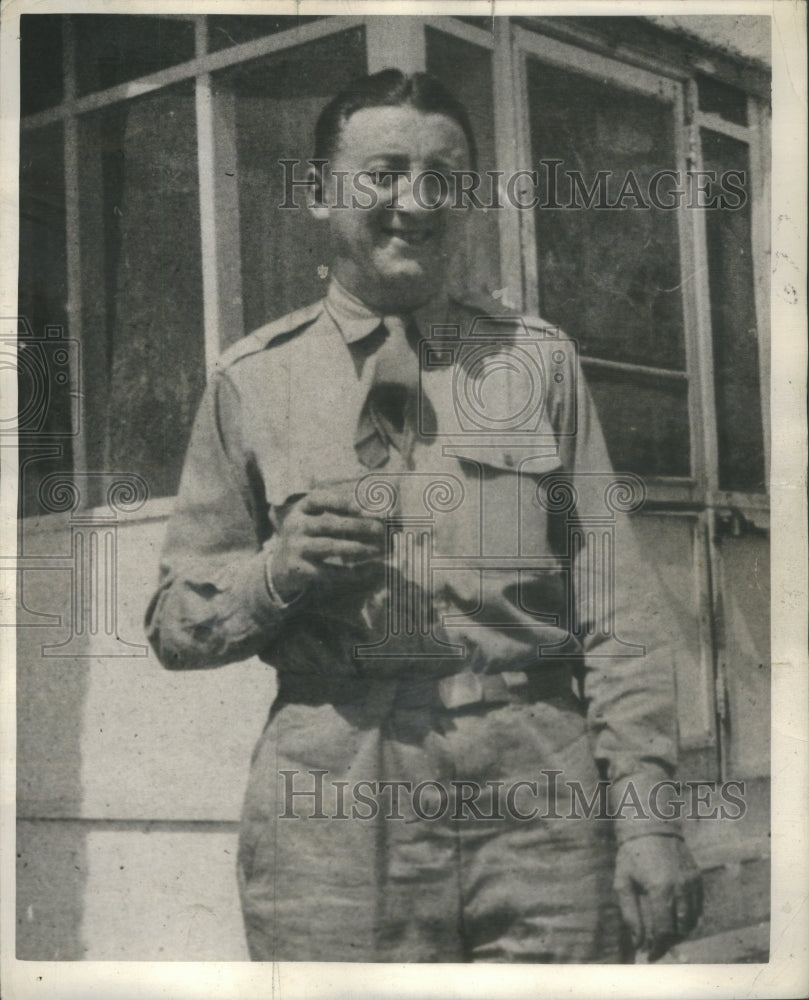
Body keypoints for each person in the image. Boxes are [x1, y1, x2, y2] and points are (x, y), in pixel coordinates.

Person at [146, 69, 702, 963]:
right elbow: (175, 626)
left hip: (537, 799)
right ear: (323, 193)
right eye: (385, 172)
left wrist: (646, 820)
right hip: (335, 803)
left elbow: (619, 612)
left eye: (444, 179)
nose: (416, 202)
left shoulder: (537, 364)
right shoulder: (251, 382)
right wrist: (277, 571)